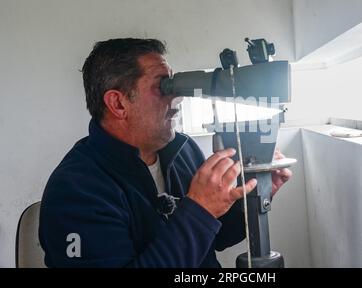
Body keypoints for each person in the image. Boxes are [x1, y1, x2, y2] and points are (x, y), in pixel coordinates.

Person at [38, 38, 292, 267]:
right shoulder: (76, 190)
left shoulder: (181, 150)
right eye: (164, 86)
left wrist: (254, 195)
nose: (178, 99)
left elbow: (217, 235)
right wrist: (199, 210)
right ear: (118, 103)